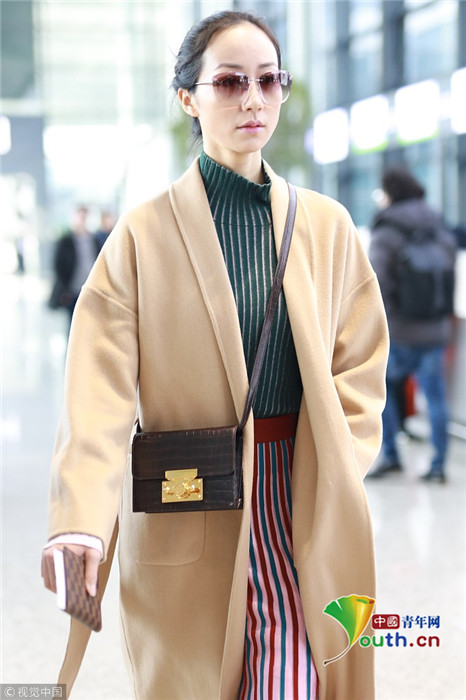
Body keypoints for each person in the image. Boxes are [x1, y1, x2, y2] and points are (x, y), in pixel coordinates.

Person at [41, 11, 388, 699]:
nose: (253, 99)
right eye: (230, 82)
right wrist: (80, 519)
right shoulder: (140, 237)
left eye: (269, 80)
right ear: (188, 99)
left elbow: (362, 361)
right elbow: (97, 396)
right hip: (192, 502)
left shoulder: (326, 227)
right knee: (197, 679)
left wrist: (338, 463)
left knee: (298, 676)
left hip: (303, 497)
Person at [368, 166, 457, 483]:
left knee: (381, 395)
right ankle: (439, 466)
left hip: (399, 331)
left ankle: (391, 455)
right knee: (436, 399)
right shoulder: (438, 226)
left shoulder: (387, 231)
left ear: (390, 192)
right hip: (435, 329)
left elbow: (376, 283)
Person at [49, 205, 100, 328]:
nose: (83, 220)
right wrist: (64, 289)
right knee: (73, 326)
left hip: (90, 290)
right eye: (80, 217)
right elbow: (58, 266)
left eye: (85, 217)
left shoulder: (94, 240)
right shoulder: (65, 241)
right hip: (72, 291)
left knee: (89, 326)